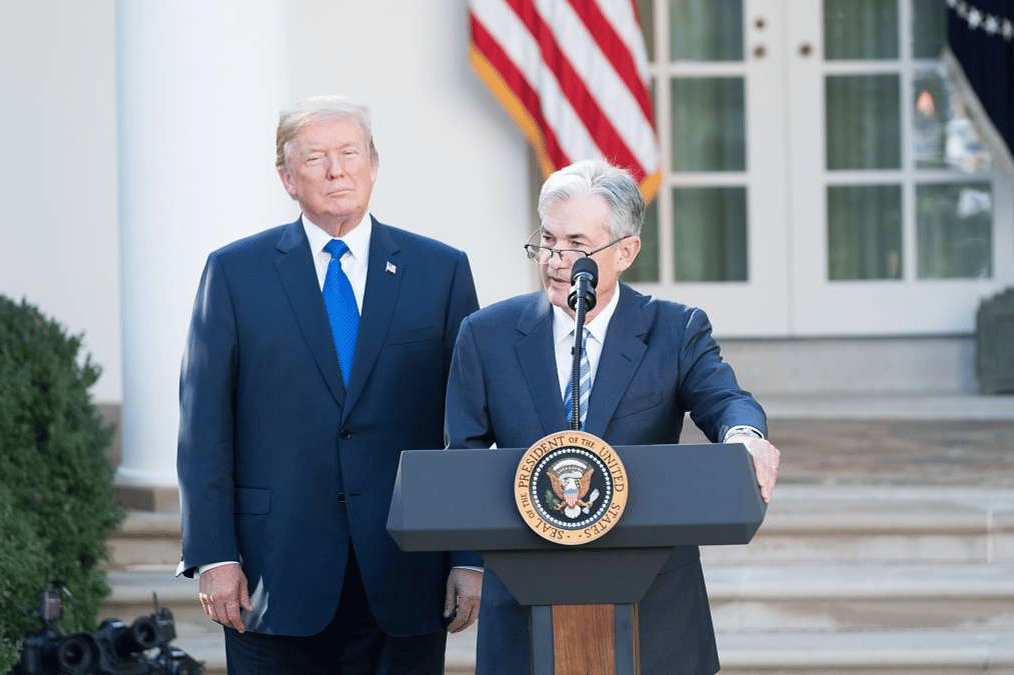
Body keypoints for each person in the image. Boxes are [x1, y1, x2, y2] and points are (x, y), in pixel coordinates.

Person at [176, 95, 482, 675]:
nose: (336, 169)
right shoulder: (234, 273)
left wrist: (468, 558)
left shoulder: (440, 272)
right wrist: (213, 555)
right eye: (316, 158)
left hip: (406, 567)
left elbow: (464, 429)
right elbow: (203, 427)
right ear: (288, 179)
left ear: (373, 164)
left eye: (349, 152)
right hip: (273, 571)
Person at [444, 159, 780, 675]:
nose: (557, 260)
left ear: (626, 251)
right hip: (527, 601)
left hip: (652, 606)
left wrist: (745, 435)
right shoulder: (486, 334)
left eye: (578, 245)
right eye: (549, 240)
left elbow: (725, 399)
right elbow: (461, 460)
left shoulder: (674, 329)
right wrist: (466, 562)